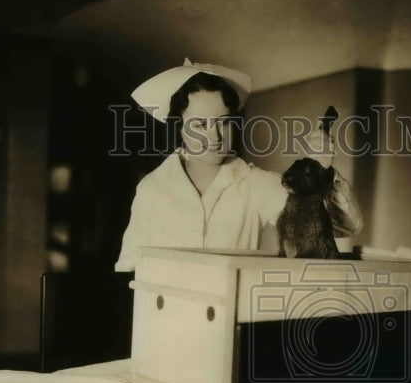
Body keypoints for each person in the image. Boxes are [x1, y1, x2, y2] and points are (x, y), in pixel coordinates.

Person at [114, 59, 363, 272]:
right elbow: (129, 268)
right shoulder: (152, 188)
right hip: (165, 322)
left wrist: (319, 168)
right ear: (178, 127)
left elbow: (343, 226)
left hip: (229, 321)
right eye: (200, 125)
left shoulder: (253, 182)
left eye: (223, 122)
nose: (215, 137)